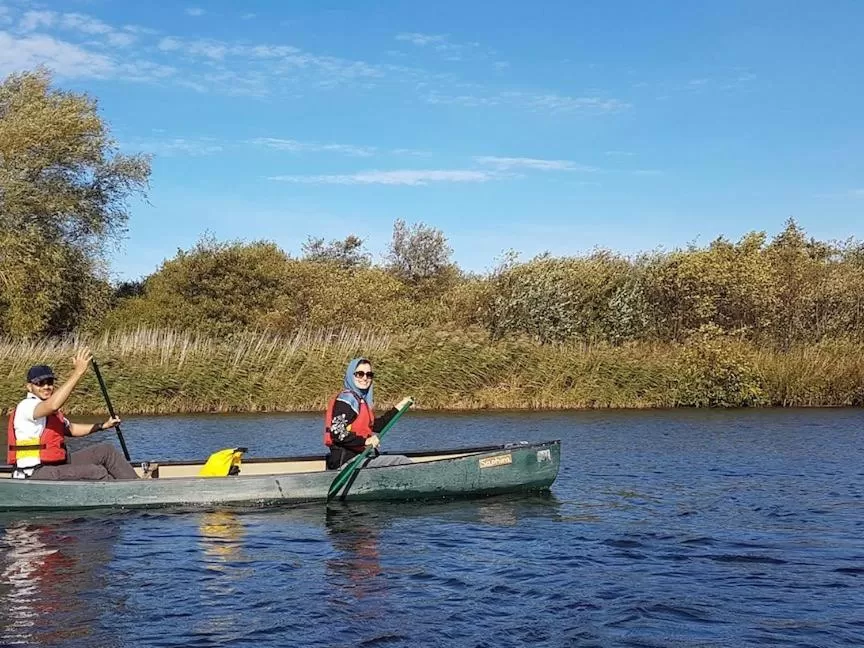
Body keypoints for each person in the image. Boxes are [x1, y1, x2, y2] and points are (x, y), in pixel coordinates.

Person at [7, 347, 139, 480]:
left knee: (106, 451)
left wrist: (103, 426)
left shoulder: (51, 413)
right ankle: (125, 494)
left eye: (50, 382)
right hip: (35, 472)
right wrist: (78, 372)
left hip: (57, 464)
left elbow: (72, 429)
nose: (46, 387)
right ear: (29, 387)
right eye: (40, 383)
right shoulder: (26, 406)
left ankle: (137, 486)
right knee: (95, 472)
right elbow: (53, 405)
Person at [324, 358, 413, 470]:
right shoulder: (347, 400)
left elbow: (378, 426)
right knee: (402, 461)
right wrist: (365, 441)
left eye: (369, 374)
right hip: (347, 463)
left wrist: (400, 407)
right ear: (351, 376)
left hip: (360, 457)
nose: (365, 378)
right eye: (360, 374)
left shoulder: (361, 401)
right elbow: (337, 433)